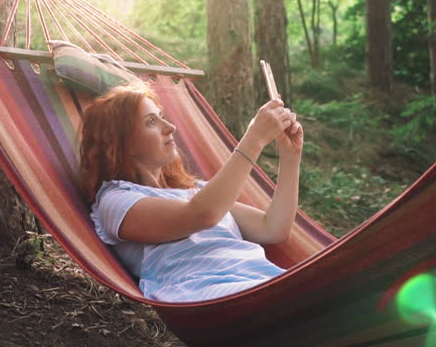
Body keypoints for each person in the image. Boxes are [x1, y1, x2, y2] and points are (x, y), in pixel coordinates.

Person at [78, 81, 303, 302]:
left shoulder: (195, 193)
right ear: (119, 142)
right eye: (151, 121)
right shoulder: (116, 200)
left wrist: (291, 156)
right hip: (209, 293)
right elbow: (200, 216)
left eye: (162, 116)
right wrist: (255, 138)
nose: (170, 127)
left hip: (264, 280)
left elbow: (273, 228)